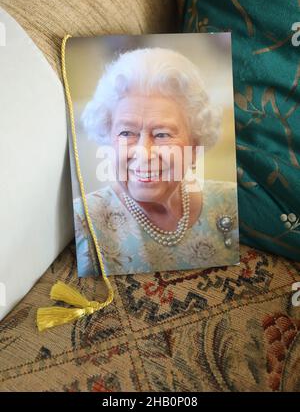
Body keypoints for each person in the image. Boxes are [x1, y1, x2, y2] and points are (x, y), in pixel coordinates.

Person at [73, 47, 239, 276]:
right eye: (126, 133)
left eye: (162, 134)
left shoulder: (231, 202)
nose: (144, 153)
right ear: (108, 138)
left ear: (193, 146)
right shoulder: (83, 220)